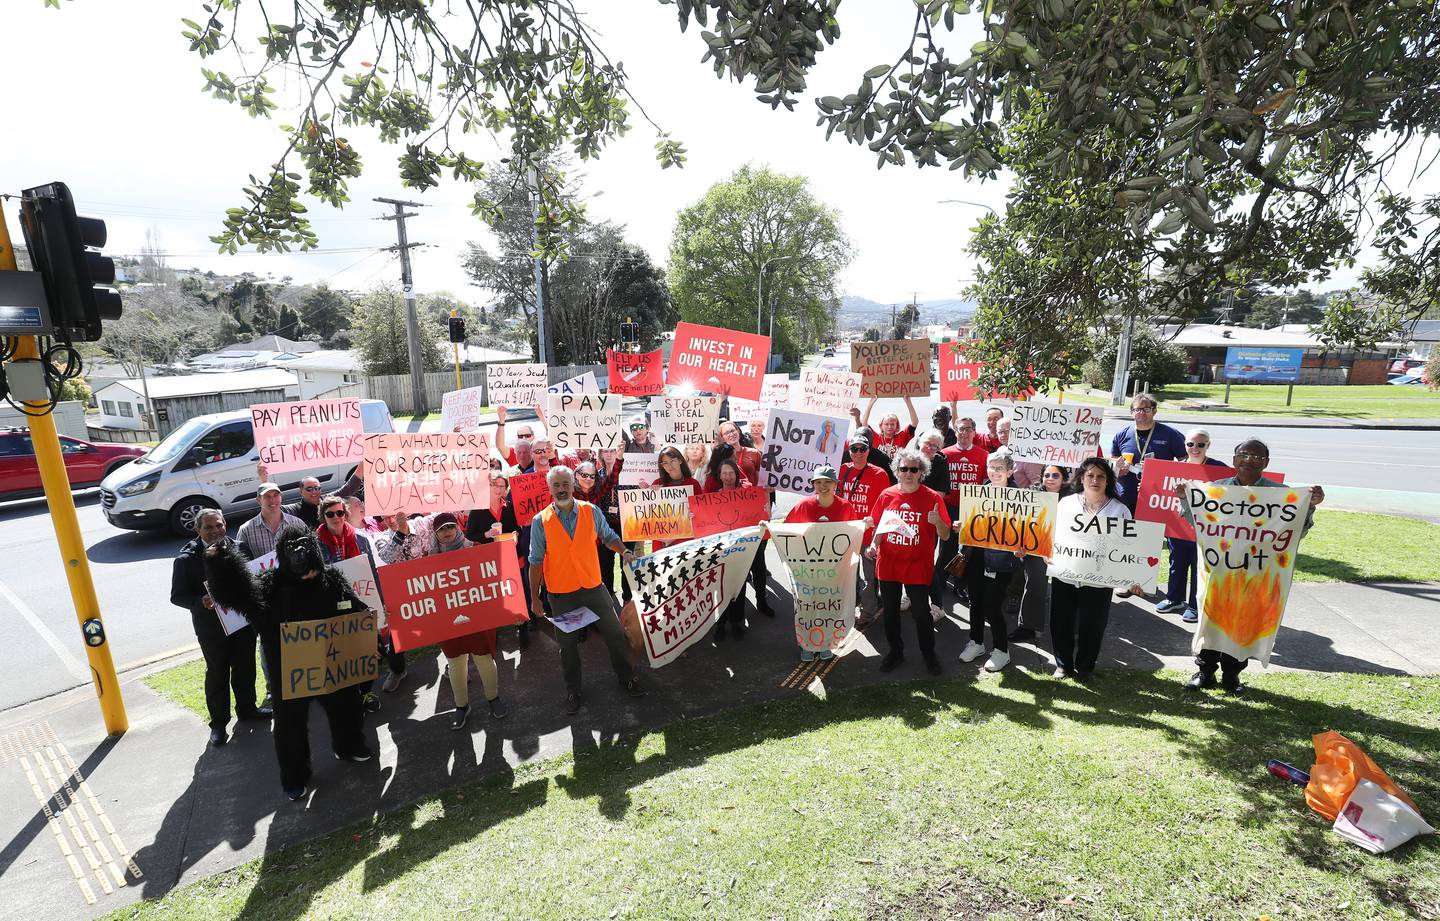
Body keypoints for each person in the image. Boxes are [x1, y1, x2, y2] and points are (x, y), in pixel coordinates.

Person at [203, 523, 372, 802]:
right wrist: (219, 562)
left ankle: (349, 746)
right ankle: (295, 778)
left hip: (334, 666)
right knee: (289, 729)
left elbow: (355, 611)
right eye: (291, 549)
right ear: (282, 554)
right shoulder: (270, 585)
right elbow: (235, 595)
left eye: (304, 547)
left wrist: (370, 624)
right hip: (289, 674)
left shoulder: (331, 579)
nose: (299, 554)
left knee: (347, 709)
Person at [1176, 438, 1324, 693]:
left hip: (1256, 574)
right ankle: (1205, 671)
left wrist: (1308, 507)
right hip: (1220, 572)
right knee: (1213, 619)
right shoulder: (1216, 490)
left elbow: (1294, 532)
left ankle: (1232, 675)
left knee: (1244, 624)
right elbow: (1199, 524)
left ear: (1266, 463)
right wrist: (1186, 500)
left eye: (1256, 457)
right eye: (1243, 454)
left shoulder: (1281, 495)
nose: (1249, 460)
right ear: (1234, 459)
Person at [528, 466, 644, 713]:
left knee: (614, 635)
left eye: (565, 484)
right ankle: (573, 691)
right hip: (562, 595)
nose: (561, 489)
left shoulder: (590, 511)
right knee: (568, 647)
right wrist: (535, 600)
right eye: (556, 485)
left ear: (573, 485)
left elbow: (608, 536)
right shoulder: (540, 522)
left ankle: (626, 677)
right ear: (550, 488)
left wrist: (623, 550)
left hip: (593, 588)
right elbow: (535, 562)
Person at [170, 509, 270, 746]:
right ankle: (219, 724)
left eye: (219, 525)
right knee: (217, 673)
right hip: (210, 627)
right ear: (198, 530)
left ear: (225, 524)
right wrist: (199, 602)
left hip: (241, 622)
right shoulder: (186, 559)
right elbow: (177, 596)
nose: (215, 531)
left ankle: (247, 709)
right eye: (209, 527)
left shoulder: (241, 547)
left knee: (245, 667)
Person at [1048, 458, 1141, 680]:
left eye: (1101, 476)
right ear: (1081, 477)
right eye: (1090, 475)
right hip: (1066, 574)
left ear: (1108, 480)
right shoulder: (1066, 503)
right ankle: (1063, 665)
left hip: (1099, 579)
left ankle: (1085, 667)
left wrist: (1134, 579)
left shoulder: (1119, 510)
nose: (1095, 480)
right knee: (1061, 621)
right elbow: (1052, 534)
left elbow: (1128, 548)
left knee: (1093, 625)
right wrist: (1047, 552)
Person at [865, 447, 952, 676]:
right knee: (891, 612)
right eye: (904, 469)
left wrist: (937, 522)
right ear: (897, 470)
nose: (908, 473)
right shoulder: (887, 495)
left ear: (921, 472)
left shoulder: (932, 497)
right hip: (889, 564)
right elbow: (880, 526)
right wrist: (874, 545)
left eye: (914, 469)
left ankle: (929, 654)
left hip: (917, 565)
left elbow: (945, 535)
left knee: (921, 614)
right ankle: (896, 652)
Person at [315, 494, 385, 713]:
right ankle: (349, 697)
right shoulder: (315, 545)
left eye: (340, 512)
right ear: (323, 516)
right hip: (332, 608)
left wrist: (380, 604)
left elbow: (373, 573)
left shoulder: (361, 539)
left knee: (366, 650)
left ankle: (366, 692)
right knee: (341, 654)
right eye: (330, 514)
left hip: (361, 602)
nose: (337, 517)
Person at [785, 465, 863, 659]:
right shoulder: (803, 506)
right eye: (818, 482)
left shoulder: (845, 507)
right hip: (808, 570)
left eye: (827, 482)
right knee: (808, 606)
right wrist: (766, 526)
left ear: (835, 484)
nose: (823, 486)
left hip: (834, 569)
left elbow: (853, 535)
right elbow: (786, 531)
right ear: (813, 485)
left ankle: (825, 643)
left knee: (829, 605)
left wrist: (864, 525)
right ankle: (806, 644)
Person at [958, 449, 1024, 672]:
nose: (994, 472)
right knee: (975, 601)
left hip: (1003, 560)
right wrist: (962, 526)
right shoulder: (980, 491)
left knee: (992, 605)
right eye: (991, 467)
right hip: (976, 555)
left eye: (999, 468)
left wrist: (1022, 548)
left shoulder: (1020, 497)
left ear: (1010, 470)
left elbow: (1026, 532)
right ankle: (976, 642)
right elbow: (972, 524)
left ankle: (1001, 651)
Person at [1156, 428, 1227, 624]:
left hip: (1204, 529)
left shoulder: (1219, 469)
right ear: (1184, 445)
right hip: (1178, 527)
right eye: (1190, 444)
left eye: (1200, 444)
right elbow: (1158, 493)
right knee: (1176, 564)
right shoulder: (1172, 468)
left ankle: (1195, 605)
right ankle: (1174, 598)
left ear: (1208, 445)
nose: (1195, 448)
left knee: (1199, 567)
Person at [707, 457, 770, 640]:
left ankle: (736, 622)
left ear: (736, 474)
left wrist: (765, 496)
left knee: (739, 585)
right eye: (724, 473)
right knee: (721, 587)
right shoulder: (713, 497)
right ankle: (720, 623)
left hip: (743, 548)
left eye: (731, 473)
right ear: (719, 476)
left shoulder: (747, 493)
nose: (728, 477)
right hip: (723, 549)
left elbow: (760, 510)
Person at [1009, 464, 1070, 643]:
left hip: (1065, 547)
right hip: (1036, 547)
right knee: (1035, 585)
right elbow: (1019, 521)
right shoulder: (1031, 494)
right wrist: (1018, 545)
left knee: (1066, 588)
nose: (1050, 478)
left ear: (1064, 479)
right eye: (1047, 475)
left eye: (1055, 475)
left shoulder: (1075, 498)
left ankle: (1067, 628)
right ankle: (1027, 626)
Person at [838, 437, 892, 627]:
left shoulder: (879, 474)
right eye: (854, 449)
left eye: (863, 449)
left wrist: (878, 532)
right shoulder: (842, 469)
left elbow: (886, 506)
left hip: (869, 535)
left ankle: (868, 612)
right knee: (848, 575)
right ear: (849, 451)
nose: (858, 453)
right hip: (847, 533)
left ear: (869, 451)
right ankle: (849, 606)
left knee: (870, 578)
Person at [937, 417, 989, 614]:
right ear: (956, 432)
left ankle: (960, 584)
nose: (964, 433)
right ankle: (940, 583)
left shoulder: (983, 455)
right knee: (947, 546)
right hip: (949, 507)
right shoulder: (945, 454)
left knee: (968, 550)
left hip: (972, 509)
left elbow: (986, 483)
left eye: (968, 429)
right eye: (960, 429)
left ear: (974, 432)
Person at [1111, 391, 1186, 514]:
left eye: (1146, 409)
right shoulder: (1121, 435)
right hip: (1125, 497)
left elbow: (1186, 462)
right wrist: (1118, 469)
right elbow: (1113, 460)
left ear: (1154, 411)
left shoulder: (1171, 434)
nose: (1141, 412)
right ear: (1131, 413)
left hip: (1157, 499)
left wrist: (1160, 469)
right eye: (1137, 409)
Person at [237, 482, 307, 561]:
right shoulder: (246, 530)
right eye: (267, 496)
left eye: (275, 495)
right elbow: (241, 561)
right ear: (258, 500)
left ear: (281, 497)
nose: (272, 500)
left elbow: (310, 552)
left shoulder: (297, 523)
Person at [852, 396, 917, 460]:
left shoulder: (902, 437)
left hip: (895, 469)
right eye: (886, 424)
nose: (889, 427)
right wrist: (870, 403)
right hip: (878, 469)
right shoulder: (875, 437)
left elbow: (914, 422)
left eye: (892, 424)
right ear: (881, 425)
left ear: (896, 426)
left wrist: (908, 402)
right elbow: (864, 424)